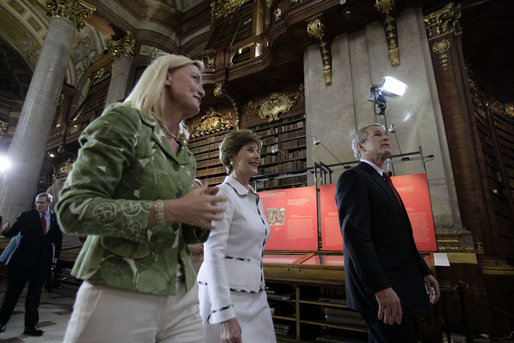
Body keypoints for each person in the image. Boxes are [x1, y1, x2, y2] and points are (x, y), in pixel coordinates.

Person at [56, 54, 227, 343]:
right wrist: (173, 209)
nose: (203, 89)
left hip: (181, 292)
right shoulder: (123, 120)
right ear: (166, 76)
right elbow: (74, 209)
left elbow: (183, 231)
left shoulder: (186, 155)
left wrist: (202, 216)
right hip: (120, 286)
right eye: (195, 78)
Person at [335, 123, 440, 343]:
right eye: (377, 135)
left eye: (386, 134)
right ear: (360, 146)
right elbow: (356, 239)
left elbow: (401, 236)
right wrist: (380, 288)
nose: (386, 138)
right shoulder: (354, 178)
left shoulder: (383, 179)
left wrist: (424, 270)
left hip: (402, 284)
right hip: (384, 290)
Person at [197, 129, 276, 343]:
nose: (257, 155)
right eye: (250, 150)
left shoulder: (254, 198)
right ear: (231, 157)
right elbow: (212, 254)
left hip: (255, 295)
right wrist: (223, 313)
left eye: (258, 151)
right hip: (225, 297)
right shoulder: (223, 194)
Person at [0, 192, 62, 336]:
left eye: (42, 203)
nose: (39, 205)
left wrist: (56, 258)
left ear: (49, 203)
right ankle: (1, 322)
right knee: (12, 295)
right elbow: (12, 233)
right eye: (37, 202)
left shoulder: (55, 218)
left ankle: (30, 326)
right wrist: (5, 230)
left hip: (41, 264)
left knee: (34, 296)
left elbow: (57, 240)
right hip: (21, 262)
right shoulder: (26, 215)